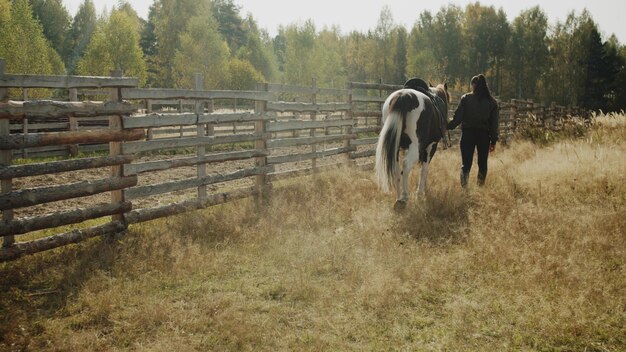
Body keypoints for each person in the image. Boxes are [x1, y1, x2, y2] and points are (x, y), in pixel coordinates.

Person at [447, 74, 499, 187]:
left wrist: (448, 126)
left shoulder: (466, 98)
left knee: (466, 164)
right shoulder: (492, 102)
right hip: (484, 136)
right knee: (482, 164)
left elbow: (458, 118)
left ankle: (464, 189)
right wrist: (493, 141)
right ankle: (480, 189)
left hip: (468, 134)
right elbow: (494, 124)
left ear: (474, 85)